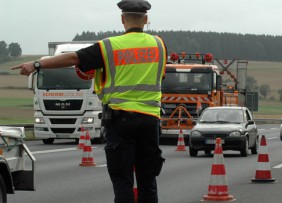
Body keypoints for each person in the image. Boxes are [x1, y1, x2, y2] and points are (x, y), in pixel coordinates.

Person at [11, 0, 167, 202]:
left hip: (120, 123)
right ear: (146, 19)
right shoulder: (159, 45)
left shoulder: (109, 46)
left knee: (123, 184)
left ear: (122, 19)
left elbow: (73, 58)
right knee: (148, 184)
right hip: (149, 122)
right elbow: (160, 76)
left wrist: (37, 64)